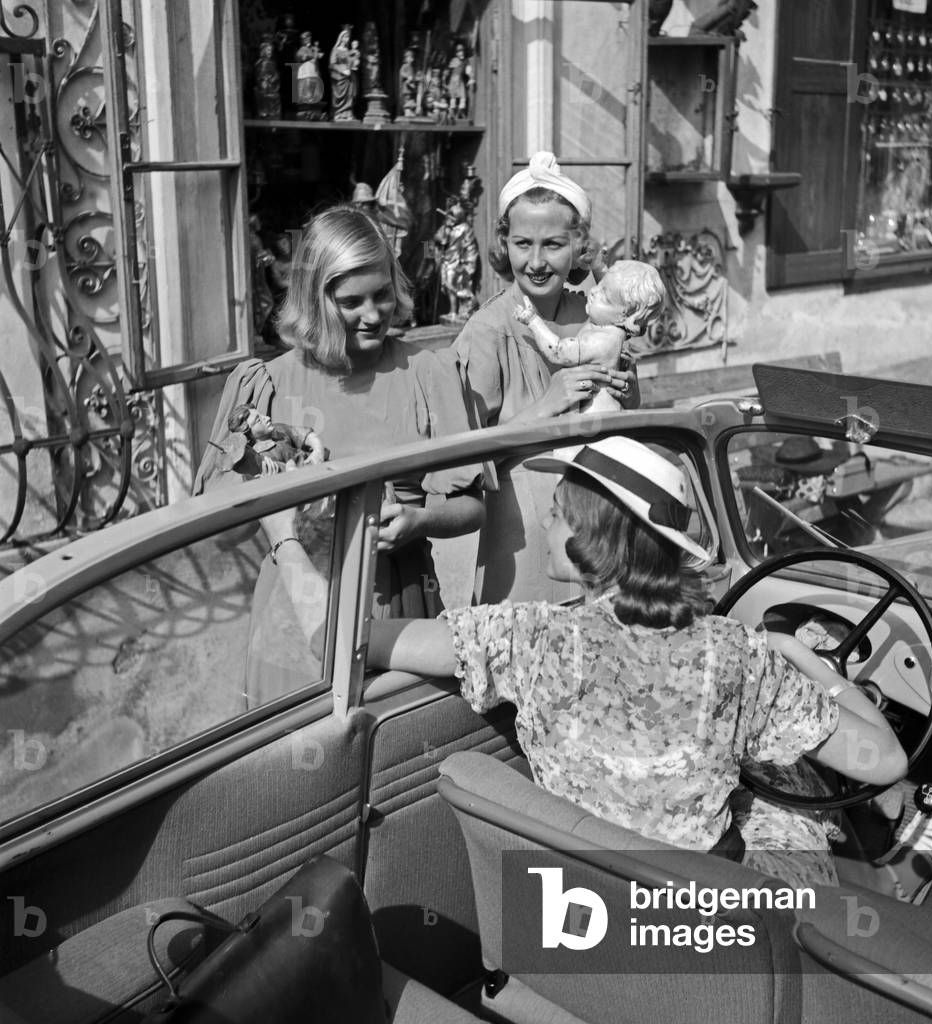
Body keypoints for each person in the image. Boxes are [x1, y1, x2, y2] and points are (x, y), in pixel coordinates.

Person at [366, 437, 909, 888]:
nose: (546, 528)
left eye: (556, 515)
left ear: (592, 534)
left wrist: (294, 544)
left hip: (588, 893)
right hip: (705, 909)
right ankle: (894, 869)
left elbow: (365, 640)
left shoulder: (527, 637)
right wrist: (806, 661)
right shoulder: (738, 655)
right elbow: (886, 762)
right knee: (796, 786)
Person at [194, 204, 484, 705]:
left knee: (391, 755)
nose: (373, 315)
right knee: (294, 764)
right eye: (352, 301)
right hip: (294, 599)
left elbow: (473, 506)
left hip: (398, 601)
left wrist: (417, 520)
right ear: (315, 300)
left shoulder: (427, 374)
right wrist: (274, 489)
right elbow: (215, 509)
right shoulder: (267, 384)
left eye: (383, 295)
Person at [447, 151, 637, 604]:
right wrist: (546, 405)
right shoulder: (488, 331)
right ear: (503, 245)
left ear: (579, 247)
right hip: (524, 538)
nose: (535, 261)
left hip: (602, 526)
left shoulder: (595, 318)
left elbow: (626, 425)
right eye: (522, 244)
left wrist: (629, 393)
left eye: (552, 244)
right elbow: (461, 456)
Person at [513, 259, 665, 413]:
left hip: (594, 415)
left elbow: (559, 351)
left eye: (604, 296)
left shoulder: (603, 341)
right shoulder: (611, 327)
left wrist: (533, 321)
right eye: (599, 285)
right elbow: (616, 294)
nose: (593, 291)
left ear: (625, 317)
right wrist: (598, 265)